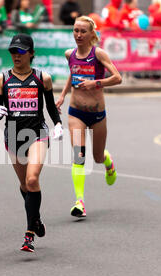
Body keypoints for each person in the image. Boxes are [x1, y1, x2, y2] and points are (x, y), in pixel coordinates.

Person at [0, 34, 63, 252]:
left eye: (21, 51)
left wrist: (58, 124)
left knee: (32, 180)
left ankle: (29, 234)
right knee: (25, 185)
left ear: (31, 53)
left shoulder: (43, 78)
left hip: (37, 132)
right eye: (13, 51)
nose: (16, 55)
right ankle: (36, 218)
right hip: (13, 134)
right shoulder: (1, 79)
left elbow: (50, 107)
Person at [56, 16, 122, 218]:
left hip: (97, 114)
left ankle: (108, 161)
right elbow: (72, 73)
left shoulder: (98, 54)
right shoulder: (70, 54)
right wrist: (62, 95)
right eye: (75, 31)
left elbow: (118, 78)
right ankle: (79, 202)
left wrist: (96, 83)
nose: (78, 35)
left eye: (83, 31)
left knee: (97, 156)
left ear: (92, 34)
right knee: (79, 157)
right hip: (76, 112)